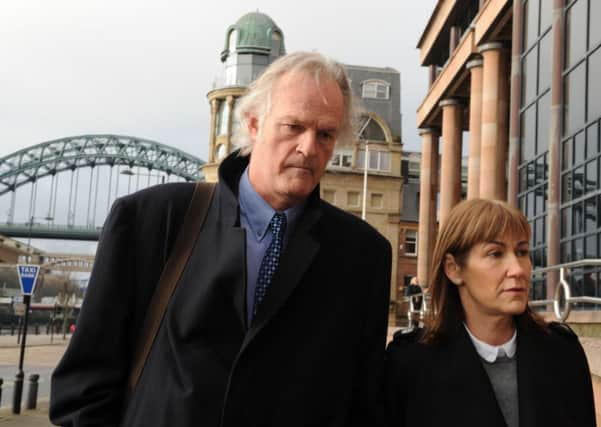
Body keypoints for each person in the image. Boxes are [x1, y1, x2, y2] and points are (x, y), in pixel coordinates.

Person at [50, 52, 392, 427]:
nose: (309, 148)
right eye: (293, 127)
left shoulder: (363, 256)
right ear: (254, 123)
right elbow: (85, 387)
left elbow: (363, 403)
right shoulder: (151, 220)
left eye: (325, 134)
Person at [385, 199, 596, 427]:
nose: (517, 269)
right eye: (495, 254)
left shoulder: (564, 354)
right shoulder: (410, 364)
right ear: (453, 269)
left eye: (522, 252)